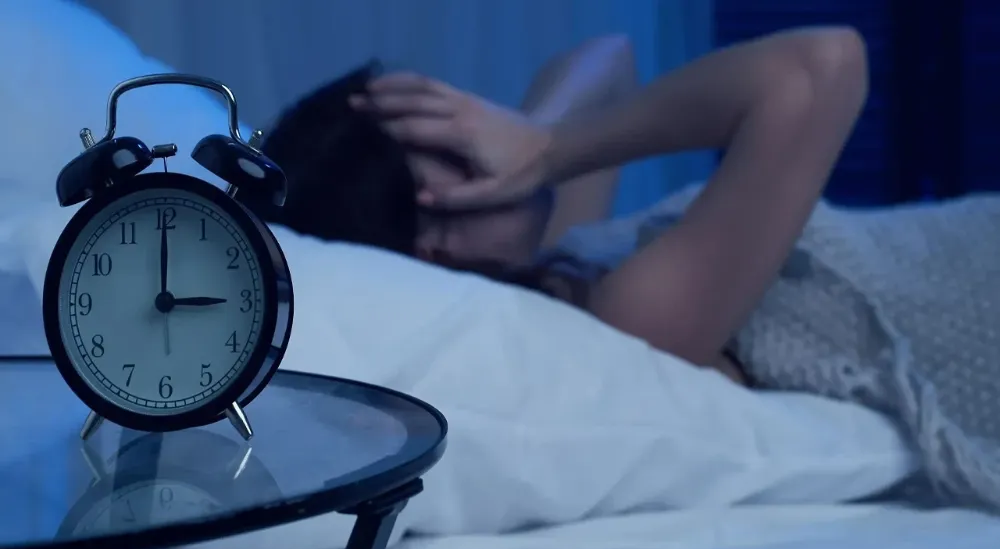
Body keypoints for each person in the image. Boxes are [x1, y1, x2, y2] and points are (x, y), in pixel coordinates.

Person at [251, 25, 1000, 507]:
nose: (486, 143)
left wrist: (533, 135)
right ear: (432, 247)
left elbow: (607, 60)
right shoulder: (624, 320)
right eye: (455, 151)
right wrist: (550, 152)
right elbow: (822, 65)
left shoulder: (556, 254)